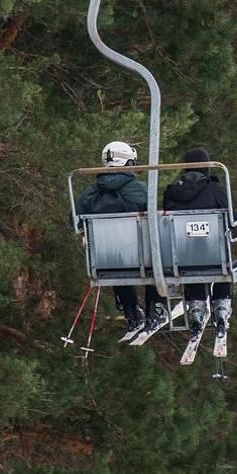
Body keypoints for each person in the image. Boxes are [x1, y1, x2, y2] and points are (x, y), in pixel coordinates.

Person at [75, 139, 168, 343]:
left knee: (116, 264)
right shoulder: (139, 190)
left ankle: (131, 311)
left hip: (108, 259)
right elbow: (156, 218)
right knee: (155, 257)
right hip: (141, 256)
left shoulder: (90, 194)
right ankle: (156, 308)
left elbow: (75, 222)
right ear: (128, 163)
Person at [162, 146, 235, 347]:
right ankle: (221, 307)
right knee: (224, 260)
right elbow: (232, 218)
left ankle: (196, 309)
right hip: (214, 255)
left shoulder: (172, 192)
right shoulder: (217, 190)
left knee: (189, 260)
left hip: (183, 256)